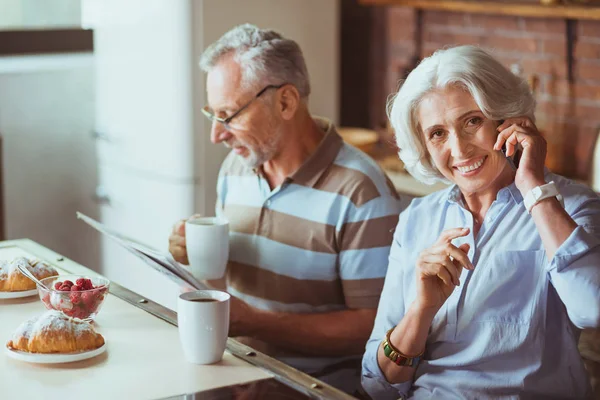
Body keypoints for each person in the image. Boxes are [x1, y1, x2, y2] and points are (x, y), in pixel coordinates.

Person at [168, 24, 404, 394]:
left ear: (286, 102)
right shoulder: (236, 168)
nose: (217, 135)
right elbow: (221, 286)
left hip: (310, 388)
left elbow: (374, 329)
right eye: (212, 115)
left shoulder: (360, 190)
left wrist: (258, 323)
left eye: (229, 115)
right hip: (234, 371)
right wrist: (193, 253)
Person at [362, 45, 600, 399]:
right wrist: (422, 310)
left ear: (508, 119)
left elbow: (592, 310)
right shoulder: (417, 219)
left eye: (472, 121)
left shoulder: (573, 207)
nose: (459, 150)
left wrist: (533, 187)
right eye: (438, 133)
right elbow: (376, 384)